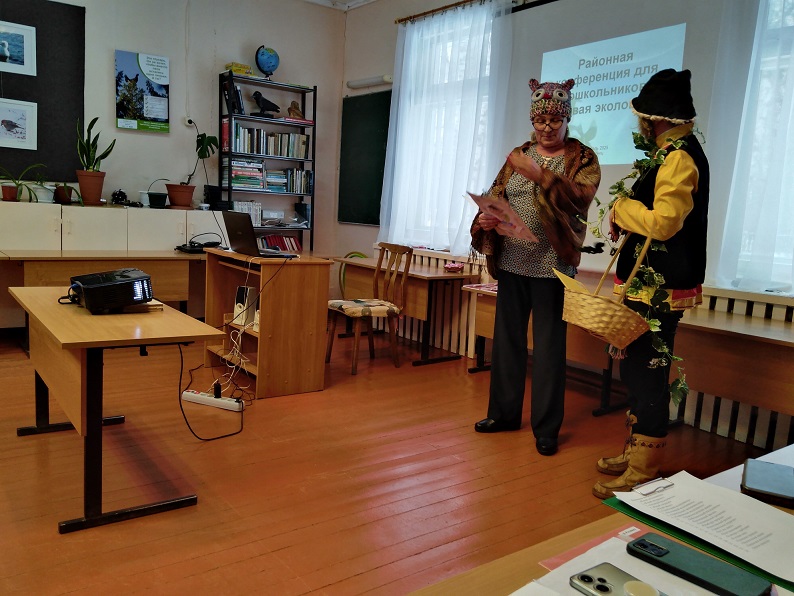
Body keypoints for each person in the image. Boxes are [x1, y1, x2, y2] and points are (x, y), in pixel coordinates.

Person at [593, 69, 710, 498]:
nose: (641, 124)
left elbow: (664, 223)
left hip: (659, 288)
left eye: (643, 117)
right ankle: (636, 451)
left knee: (648, 372)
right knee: (636, 368)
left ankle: (644, 467)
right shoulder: (670, 153)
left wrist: (621, 209)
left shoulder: (678, 157)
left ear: (655, 118)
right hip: (649, 285)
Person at [470, 78, 601, 456]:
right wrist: (487, 218)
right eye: (540, 121)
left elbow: (579, 199)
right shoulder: (519, 154)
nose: (546, 128)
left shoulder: (582, 157)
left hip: (552, 267)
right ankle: (503, 414)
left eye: (554, 121)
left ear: (567, 119)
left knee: (548, 350)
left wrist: (539, 174)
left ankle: (546, 429)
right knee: (507, 344)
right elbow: (495, 194)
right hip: (513, 262)